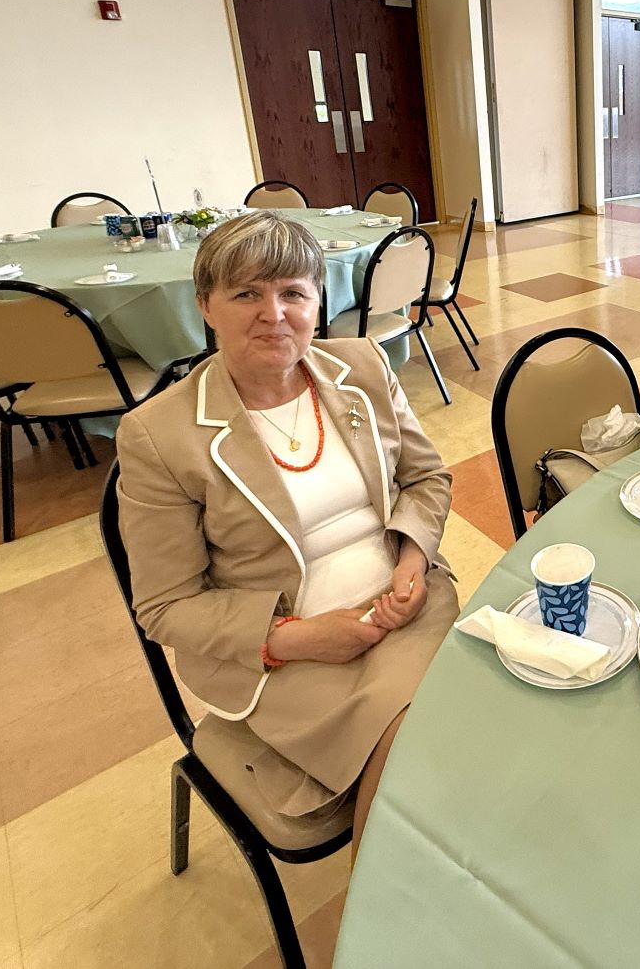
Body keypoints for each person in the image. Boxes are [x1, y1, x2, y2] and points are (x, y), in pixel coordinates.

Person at [116, 212, 457, 829]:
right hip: (287, 655)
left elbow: (427, 478)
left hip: (408, 609)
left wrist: (412, 562)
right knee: (422, 740)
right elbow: (165, 606)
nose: (273, 314)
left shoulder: (364, 368)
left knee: (470, 718)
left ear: (317, 301)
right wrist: (294, 638)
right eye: (247, 294)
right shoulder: (158, 434)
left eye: (293, 293)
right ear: (205, 307)